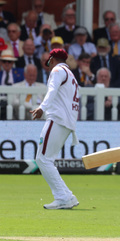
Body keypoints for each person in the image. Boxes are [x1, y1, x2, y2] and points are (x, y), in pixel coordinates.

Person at [30, 48, 80, 210]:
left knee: (43, 159)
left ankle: (63, 197)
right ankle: (67, 196)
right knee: (45, 159)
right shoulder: (71, 75)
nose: (49, 65)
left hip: (57, 119)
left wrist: (42, 108)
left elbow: (51, 91)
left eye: (49, 61)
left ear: (52, 59)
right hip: (67, 121)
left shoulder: (57, 70)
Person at [0, 49, 24, 119]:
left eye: (9, 61)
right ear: (1, 62)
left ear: (13, 62)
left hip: (15, 100)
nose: (7, 63)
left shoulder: (20, 73)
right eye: (4, 61)